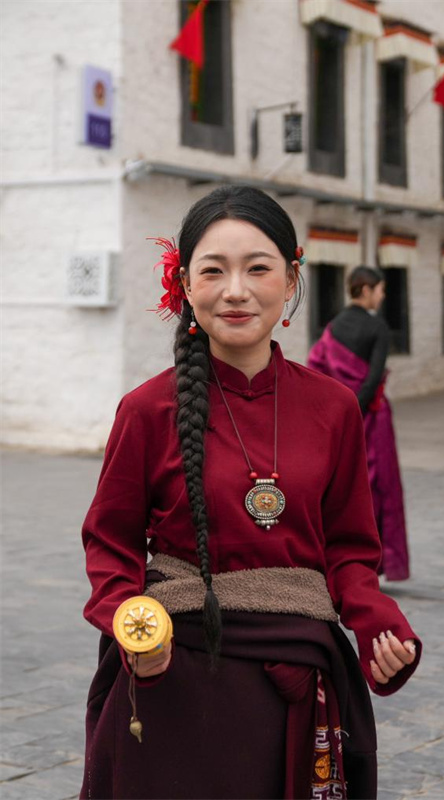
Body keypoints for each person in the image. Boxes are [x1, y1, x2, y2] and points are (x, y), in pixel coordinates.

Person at [80, 187, 422, 800]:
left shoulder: (334, 407)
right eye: (213, 270)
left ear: (291, 279)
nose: (235, 290)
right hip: (173, 679)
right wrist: (133, 631)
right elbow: (110, 544)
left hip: (291, 687)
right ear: (185, 284)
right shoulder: (146, 409)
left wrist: (377, 626)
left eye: (258, 268)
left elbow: (349, 549)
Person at [307, 266, 410, 583]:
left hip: (338, 416)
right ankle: (376, 563)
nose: (382, 296)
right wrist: (358, 407)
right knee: (379, 486)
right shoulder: (377, 326)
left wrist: (338, 411)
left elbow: (317, 367)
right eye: (379, 290)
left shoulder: (333, 326)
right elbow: (375, 375)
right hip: (372, 416)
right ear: (365, 290)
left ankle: (336, 558)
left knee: (341, 485)